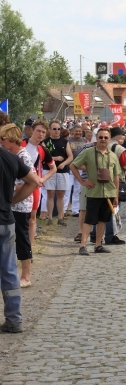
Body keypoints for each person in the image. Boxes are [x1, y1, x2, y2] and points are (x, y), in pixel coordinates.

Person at [0, 140, 40, 332]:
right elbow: (34, 181)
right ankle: (14, 319)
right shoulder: (10, 157)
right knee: (8, 270)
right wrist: (10, 202)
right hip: (5, 221)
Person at [70, 127, 120, 255]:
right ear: (96, 139)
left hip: (108, 192)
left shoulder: (113, 156)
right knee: (89, 219)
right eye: (101, 137)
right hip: (93, 191)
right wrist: (82, 181)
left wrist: (116, 195)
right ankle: (83, 246)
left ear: (109, 139)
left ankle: (98, 245)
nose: (103, 140)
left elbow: (116, 176)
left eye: (106, 137)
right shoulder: (88, 152)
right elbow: (73, 166)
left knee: (103, 220)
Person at [0, 124, 36, 288]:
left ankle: (26, 275)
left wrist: (8, 192)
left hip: (20, 205)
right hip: (11, 205)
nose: (1, 145)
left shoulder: (22, 156)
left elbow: (31, 182)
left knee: (22, 240)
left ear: (8, 140)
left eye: (2, 141)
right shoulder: (12, 155)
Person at [22, 119, 56, 245]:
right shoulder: (21, 144)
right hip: (19, 184)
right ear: (32, 131)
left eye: (43, 132)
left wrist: (42, 179)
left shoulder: (43, 150)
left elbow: (53, 168)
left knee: (32, 218)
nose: (40, 134)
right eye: (38, 131)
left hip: (35, 186)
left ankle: (29, 248)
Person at [42, 120, 73, 226]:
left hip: (62, 171)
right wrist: (55, 158)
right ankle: (49, 217)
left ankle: (60, 217)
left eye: (58, 129)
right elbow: (43, 157)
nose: (57, 131)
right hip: (49, 170)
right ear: (49, 130)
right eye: (54, 129)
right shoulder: (45, 142)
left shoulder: (64, 142)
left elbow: (70, 156)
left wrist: (64, 163)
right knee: (50, 194)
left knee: (61, 195)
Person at [65, 125, 87, 217]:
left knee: (78, 190)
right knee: (67, 189)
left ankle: (75, 210)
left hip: (80, 169)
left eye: (79, 131)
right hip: (70, 168)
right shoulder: (68, 141)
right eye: (76, 131)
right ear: (72, 132)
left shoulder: (85, 141)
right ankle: (64, 210)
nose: (78, 133)